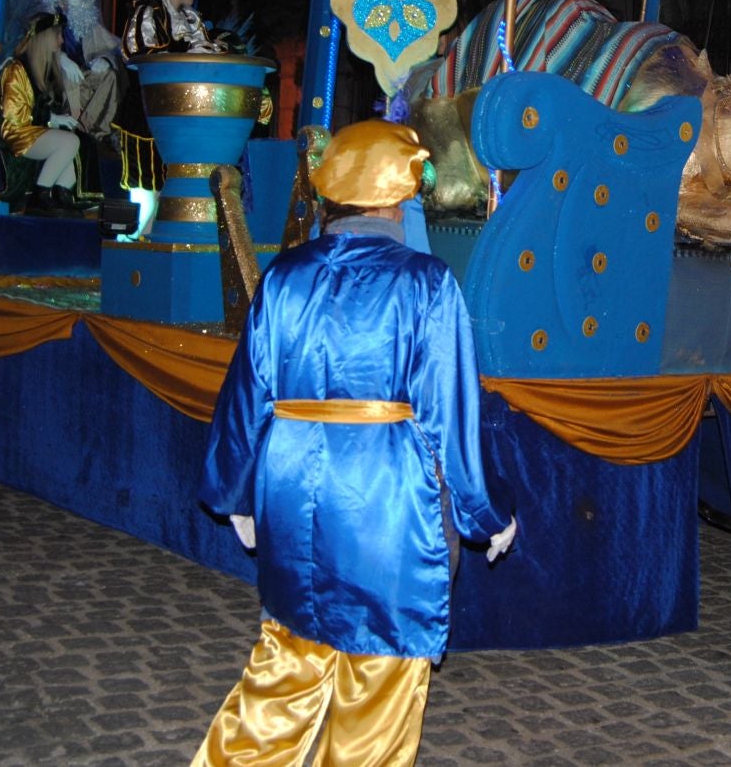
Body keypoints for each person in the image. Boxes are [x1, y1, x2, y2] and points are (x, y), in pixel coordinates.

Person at [193, 119, 516, 766]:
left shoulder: (283, 278)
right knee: (378, 691)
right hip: (384, 507)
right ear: (401, 194)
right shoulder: (427, 283)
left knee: (283, 670)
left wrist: (234, 492)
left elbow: (244, 397)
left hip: (291, 492)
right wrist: (486, 514)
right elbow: (452, 416)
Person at [0, 12, 88, 217]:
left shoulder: (46, 70)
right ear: (45, 38)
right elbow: (14, 116)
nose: (62, 41)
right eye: (57, 35)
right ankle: (40, 195)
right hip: (19, 133)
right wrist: (50, 118)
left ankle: (60, 194)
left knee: (82, 142)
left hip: (37, 130)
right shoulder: (17, 69)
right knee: (68, 142)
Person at [37, 0, 122, 140]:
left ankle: (90, 129)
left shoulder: (88, 22)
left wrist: (103, 58)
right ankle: (84, 129)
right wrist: (60, 58)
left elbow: (112, 45)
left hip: (83, 80)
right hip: (57, 83)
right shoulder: (49, 20)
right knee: (72, 82)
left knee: (109, 75)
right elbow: (36, 50)